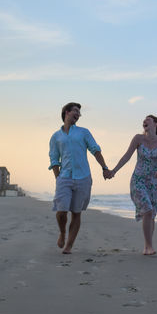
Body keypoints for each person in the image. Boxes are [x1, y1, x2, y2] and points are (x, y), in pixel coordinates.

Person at [48, 102, 110, 254]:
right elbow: (54, 159)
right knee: (61, 211)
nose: (78, 114)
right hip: (64, 177)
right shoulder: (56, 137)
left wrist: (104, 167)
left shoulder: (83, 132)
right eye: (76, 111)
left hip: (83, 177)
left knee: (76, 212)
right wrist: (58, 178)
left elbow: (95, 150)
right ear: (67, 112)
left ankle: (69, 245)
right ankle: (62, 232)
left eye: (79, 113)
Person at [106, 115, 157, 255]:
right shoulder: (138, 139)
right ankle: (148, 246)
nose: (144, 121)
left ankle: (148, 247)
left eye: (148, 120)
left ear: (155, 124)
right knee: (146, 209)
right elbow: (127, 156)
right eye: (144, 120)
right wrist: (114, 171)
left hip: (155, 181)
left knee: (151, 214)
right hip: (138, 180)